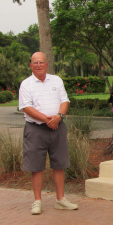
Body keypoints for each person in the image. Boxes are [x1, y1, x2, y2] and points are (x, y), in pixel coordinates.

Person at [19, 52, 78, 215]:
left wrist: (59, 117)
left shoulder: (57, 80)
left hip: (58, 127)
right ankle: (37, 201)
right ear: (31, 66)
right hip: (36, 129)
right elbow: (26, 107)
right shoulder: (26, 84)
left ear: (47, 64)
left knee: (60, 163)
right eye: (35, 62)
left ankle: (60, 200)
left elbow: (64, 101)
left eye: (41, 62)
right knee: (36, 166)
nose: (38, 65)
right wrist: (47, 120)